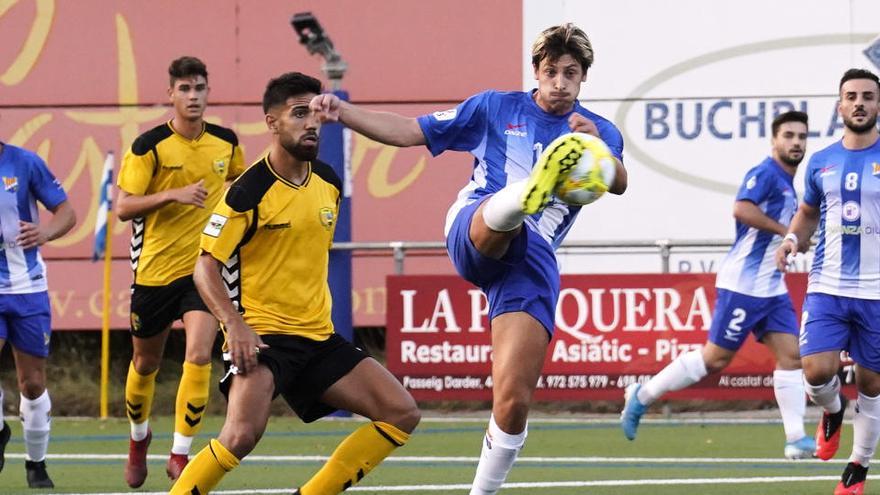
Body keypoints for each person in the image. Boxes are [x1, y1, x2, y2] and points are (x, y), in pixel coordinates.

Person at [310, 23, 627, 494]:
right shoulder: (495, 107)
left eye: (571, 73)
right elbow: (410, 131)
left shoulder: (598, 131)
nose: (560, 82)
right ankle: (526, 193)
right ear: (536, 73)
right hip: (476, 225)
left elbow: (618, 180)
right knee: (507, 215)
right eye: (551, 71)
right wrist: (344, 112)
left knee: (514, 400)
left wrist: (598, 150)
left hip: (530, 262)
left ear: (583, 79)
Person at [169, 72, 420, 495]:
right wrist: (235, 325)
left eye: (316, 114)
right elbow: (204, 268)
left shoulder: (328, 182)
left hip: (319, 339)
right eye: (298, 113)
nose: (310, 123)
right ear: (272, 123)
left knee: (401, 412)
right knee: (240, 436)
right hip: (265, 338)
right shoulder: (247, 191)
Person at [620, 111, 815, 458]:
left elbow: (783, 230)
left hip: (771, 286)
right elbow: (741, 209)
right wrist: (782, 231)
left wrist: (797, 239)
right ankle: (642, 395)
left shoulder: (788, 184)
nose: (796, 142)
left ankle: (796, 438)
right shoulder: (765, 173)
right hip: (743, 284)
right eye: (789, 135)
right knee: (715, 359)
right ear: (774, 140)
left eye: (801, 136)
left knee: (790, 357)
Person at [116, 55, 245, 487]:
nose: (193, 97)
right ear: (170, 94)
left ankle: (179, 453)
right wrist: (174, 194)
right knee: (144, 363)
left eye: (200, 88)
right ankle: (139, 439)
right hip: (154, 272)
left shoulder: (226, 142)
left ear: (209, 92)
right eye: (185, 89)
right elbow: (123, 207)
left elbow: (243, 187)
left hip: (202, 272)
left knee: (197, 356)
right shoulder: (148, 146)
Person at [775, 68, 880, 495]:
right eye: (851, 96)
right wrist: (790, 240)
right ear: (839, 106)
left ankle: (858, 467)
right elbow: (807, 214)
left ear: (878, 105)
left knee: (873, 385)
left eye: (868, 97)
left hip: (877, 293)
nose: (859, 103)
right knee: (817, 373)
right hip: (828, 286)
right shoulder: (820, 161)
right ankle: (833, 410)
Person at [0, 140, 76, 488]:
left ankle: (36, 463)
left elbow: (66, 213)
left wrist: (44, 232)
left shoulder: (25, 163)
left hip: (27, 287)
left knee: (31, 383)